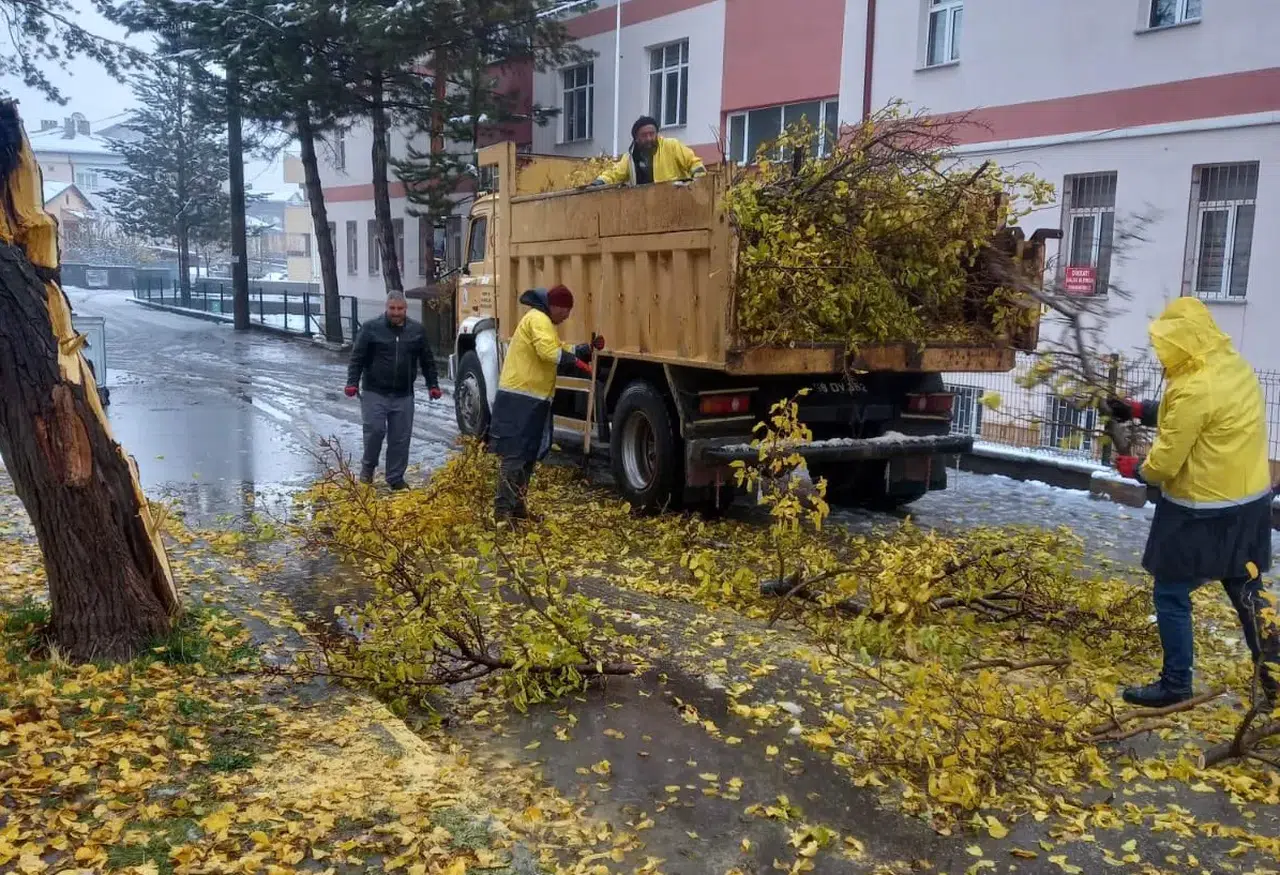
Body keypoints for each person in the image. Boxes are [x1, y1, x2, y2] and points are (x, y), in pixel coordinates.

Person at [1107, 297, 1277, 708]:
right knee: (1248, 591)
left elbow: (1164, 464)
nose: (1161, 354)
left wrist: (1135, 469)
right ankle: (1276, 679)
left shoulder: (1192, 387)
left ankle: (1175, 684)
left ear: (1180, 345)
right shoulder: (1232, 366)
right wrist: (1136, 409)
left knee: (1170, 592)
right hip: (1251, 504)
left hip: (1201, 511)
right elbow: (1196, 418)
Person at [488, 285, 603, 522]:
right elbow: (548, 352)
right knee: (515, 456)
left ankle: (517, 510)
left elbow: (558, 348)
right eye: (567, 311)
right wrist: (577, 363)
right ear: (556, 306)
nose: (567, 316)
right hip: (520, 399)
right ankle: (502, 513)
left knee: (527, 456)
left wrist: (584, 350)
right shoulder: (538, 318)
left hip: (531, 400)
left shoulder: (543, 322)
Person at [344, 291, 442, 490]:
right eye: (392, 308)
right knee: (375, 431)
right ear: (386, 308)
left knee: (400, 438)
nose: (396, 313)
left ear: (405, 309)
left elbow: (427, 360)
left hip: (403, 394)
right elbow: (357, 357)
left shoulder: (416, 331)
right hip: (375, 392)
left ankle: (395, 478)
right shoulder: (371, 328)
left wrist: (433, 385)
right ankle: (368, 470)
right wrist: (352, 382)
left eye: (400, 309)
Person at [592, 116, 707, 187]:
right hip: (646, 208)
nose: (649, 138)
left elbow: (694, 163)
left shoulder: (671, 145)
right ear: (636, 138)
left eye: (652, 134)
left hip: (676, 202)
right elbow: (614, 174)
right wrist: (600, 182)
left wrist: (698, 182)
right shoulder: (630, 158)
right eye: (644, 135)